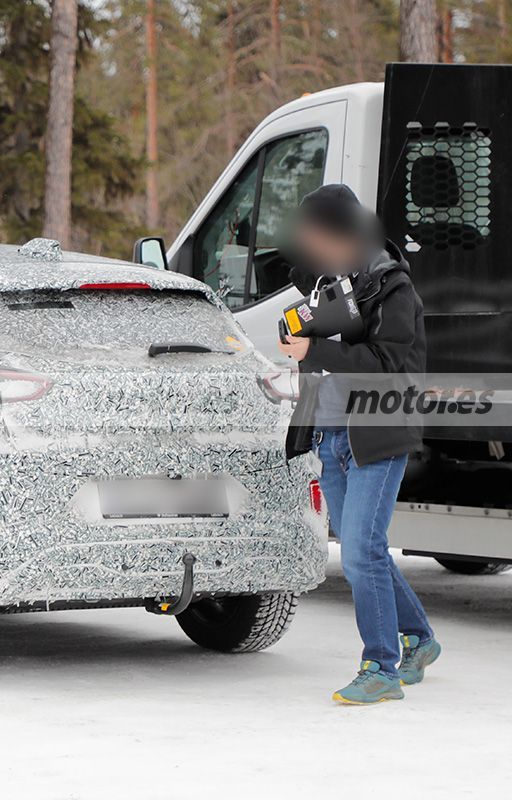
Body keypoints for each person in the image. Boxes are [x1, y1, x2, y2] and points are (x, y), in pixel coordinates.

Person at [279, 184, 441, 705]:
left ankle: (382, 667)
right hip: (332, 434)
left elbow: (391, 369)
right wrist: (301, 336)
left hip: (378, 436)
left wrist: (317, 346)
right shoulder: (331, 282)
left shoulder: (394, 291)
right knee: (363, 550)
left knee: (360, 555)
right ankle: (419, 637)